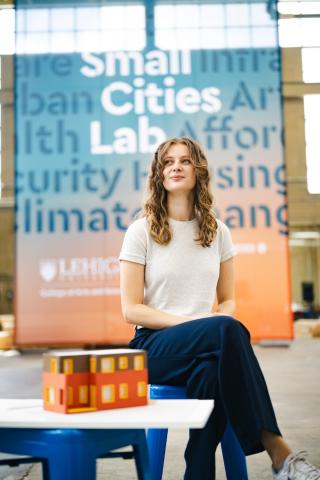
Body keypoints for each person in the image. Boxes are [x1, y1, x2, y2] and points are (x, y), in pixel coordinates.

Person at [119, 136, 320, 480]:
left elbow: (227, 301)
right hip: (154, 347)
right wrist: (193, 323)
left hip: (205, 348)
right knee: (227, 330)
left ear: (198, 172)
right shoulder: (141, 231)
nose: (176, 167)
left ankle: (197, 473)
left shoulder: (217, 231)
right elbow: (131, 310)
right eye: (168, 162)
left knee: (214, 372)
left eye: (184, 161)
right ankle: (278, 451)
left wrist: (211, 322)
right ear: (159, 174)